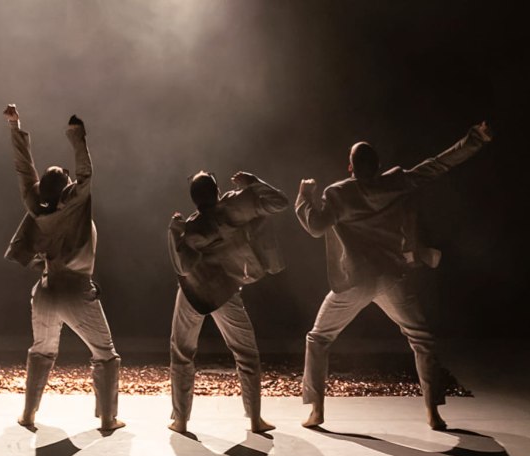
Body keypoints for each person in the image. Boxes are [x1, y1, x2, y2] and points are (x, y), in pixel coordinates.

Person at [296, 121, 493, 430]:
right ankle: (433, 413)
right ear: (378, 166)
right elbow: (436, 165)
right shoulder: (396, 182)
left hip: (355, 282)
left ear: (350, 167)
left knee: (318, 338)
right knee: (422, 339)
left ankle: (316, 411)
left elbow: (316, 227)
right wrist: (474, 140)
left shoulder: (338, 193)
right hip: (391, 278)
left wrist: (304, 197)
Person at [2, 104, 125, 433]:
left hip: (45, 290)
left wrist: (15, 127)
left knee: (41, 352)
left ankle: (28, 414)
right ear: (68, 187)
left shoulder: (36, 206)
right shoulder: (75, 204)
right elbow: (86, 174)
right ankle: (108, 418)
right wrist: (76, 136)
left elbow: (24, 170)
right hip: (75, 289)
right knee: (106, 355)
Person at [168, 170, 288, 434]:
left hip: (193, 293)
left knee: (182, 353)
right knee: (246, 353)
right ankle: (255, 419)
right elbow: (280, 201)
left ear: (194, 200)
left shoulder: (193, 227)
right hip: (224, 291)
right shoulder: (235, 207)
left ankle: (181, 420)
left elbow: (183, 267)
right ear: (218, 191)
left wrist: (175, 231)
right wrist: (253, 182)